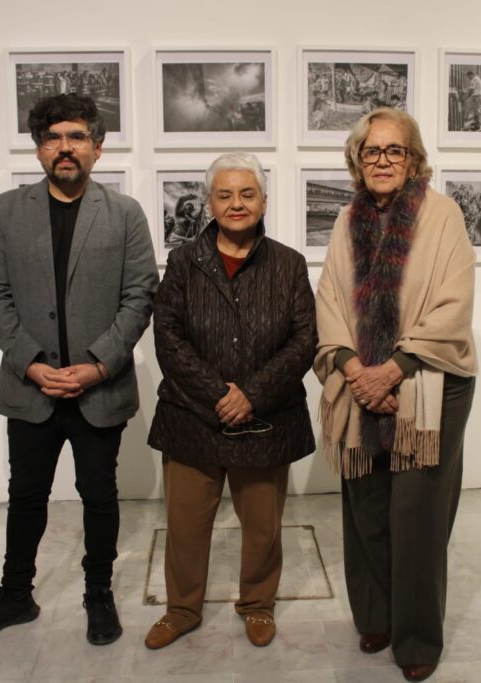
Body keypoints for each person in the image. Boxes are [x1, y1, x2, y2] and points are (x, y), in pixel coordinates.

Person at [0, 93, 158, 646]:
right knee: (25, 497)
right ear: (38, 148)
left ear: (97, 147)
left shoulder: (124, 214)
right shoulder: (7, 210)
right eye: (53, 138)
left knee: (99, 497)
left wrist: (98, 365)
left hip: (99, 391)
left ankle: (98, 595)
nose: (64, 148)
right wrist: (31, 363)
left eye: (76, 137)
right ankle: (14, 596)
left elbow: (141, 295)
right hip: (31, 390)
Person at [314, 107, 478, 682]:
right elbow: (329, 299)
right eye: (372, 151)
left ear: (413, 159)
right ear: (358, 161)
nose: (382, 160)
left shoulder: (443, 215)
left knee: (417, 516)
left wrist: (395, 369)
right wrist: (357, 370)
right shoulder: (345, 221)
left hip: (430, 382)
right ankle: (375, 617)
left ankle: (416, 637)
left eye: (395, 150)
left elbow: (454, 303)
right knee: (366, 507)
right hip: (359, 381)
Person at [145, 152, 317, 650]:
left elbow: (304, 340)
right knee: (185, 527)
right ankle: (181, 609)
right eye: (224, 195)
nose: (236, 203)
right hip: (192, 417)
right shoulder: (183, 262)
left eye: (247, 194)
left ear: (264, 201)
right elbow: (168, 336)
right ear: (209, 203)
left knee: (263, 527)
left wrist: (253, 394)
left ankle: (258, 604)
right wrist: (219, 394)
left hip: (265, 420)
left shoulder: (289, 264)